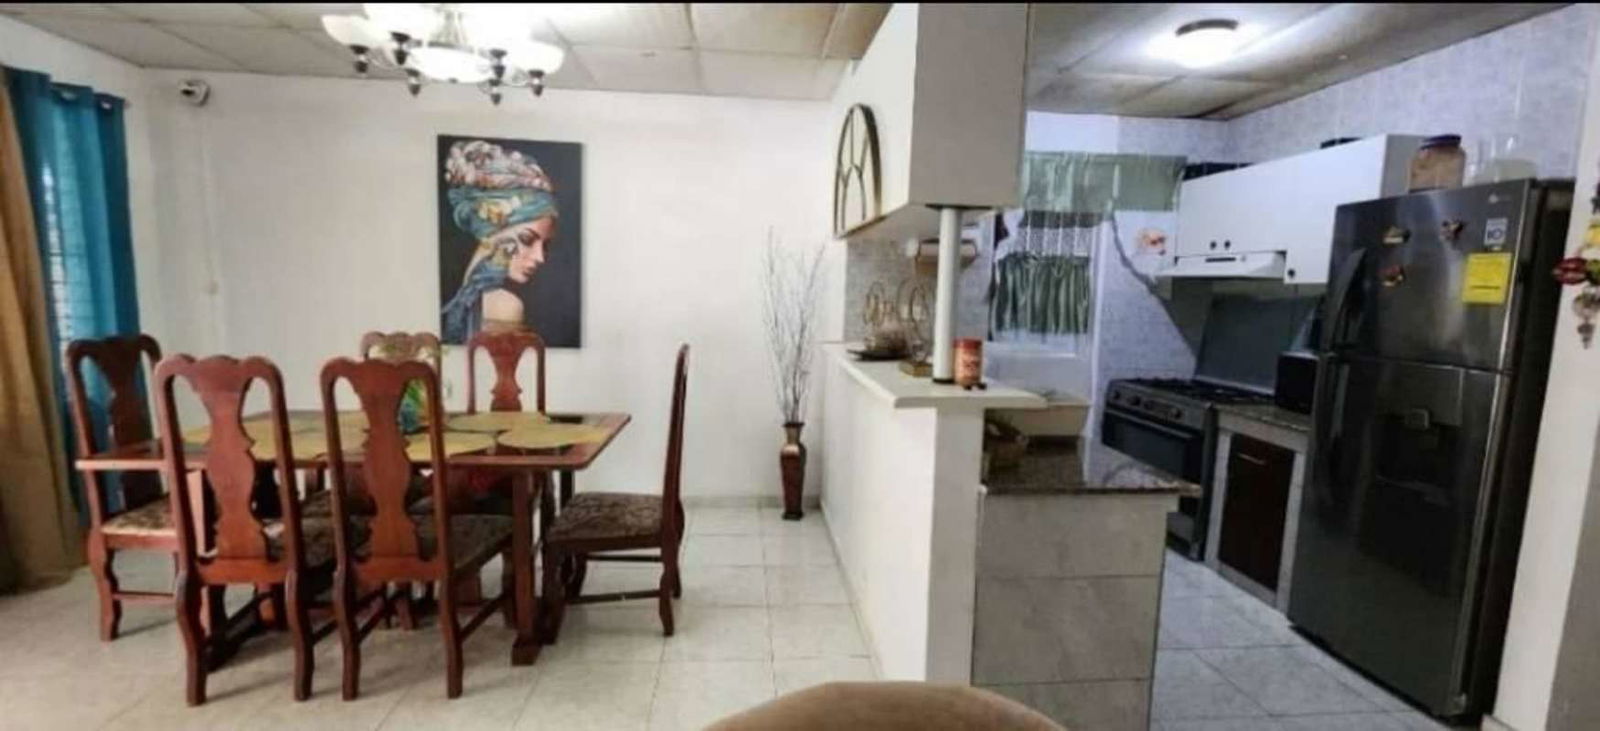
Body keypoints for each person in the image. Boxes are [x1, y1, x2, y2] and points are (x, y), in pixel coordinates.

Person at [440, 139, 559, 343]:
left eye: (545, 245)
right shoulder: (506, 306)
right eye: (527, 239)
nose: (540, 258)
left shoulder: (464, 302)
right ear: (490, 231)